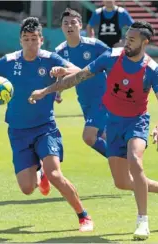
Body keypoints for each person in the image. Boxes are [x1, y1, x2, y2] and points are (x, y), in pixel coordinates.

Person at [29, 21, 158, 240]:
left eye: (132, 39)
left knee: (135, 161)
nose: (126, 42)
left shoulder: (152, 69)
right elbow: (78, 77)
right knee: (121, 182)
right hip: (113, 122)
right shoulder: (111, 57)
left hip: (137, 122)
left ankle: (142, 221)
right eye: (126, 37)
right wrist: (46, 91)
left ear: (144, 42)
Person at [0, 17, 94, 232]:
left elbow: (82, 72)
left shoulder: (49, 59)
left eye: (34, 39)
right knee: (27, 189)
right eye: (26, 39)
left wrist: (63, 71)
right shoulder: (7, 62)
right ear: (20, 40)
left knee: (55, 174)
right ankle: (39, 173)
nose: (30, 43)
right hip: (18, 132)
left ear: (41, 40)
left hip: (46, 128)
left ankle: (83, 216)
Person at [55, 8, 110, 157]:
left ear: (80, 25)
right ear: (61, 27)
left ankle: (122, 164)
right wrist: (58, 93)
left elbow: (113, 60)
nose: (69, 26)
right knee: (105, 138)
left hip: (102, 96)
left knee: (89, 137)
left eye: (73, 23)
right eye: (65, 23)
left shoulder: (94, 45)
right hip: (84, 100)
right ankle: (128, 167)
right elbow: (59, 75)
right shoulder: (59, 51)